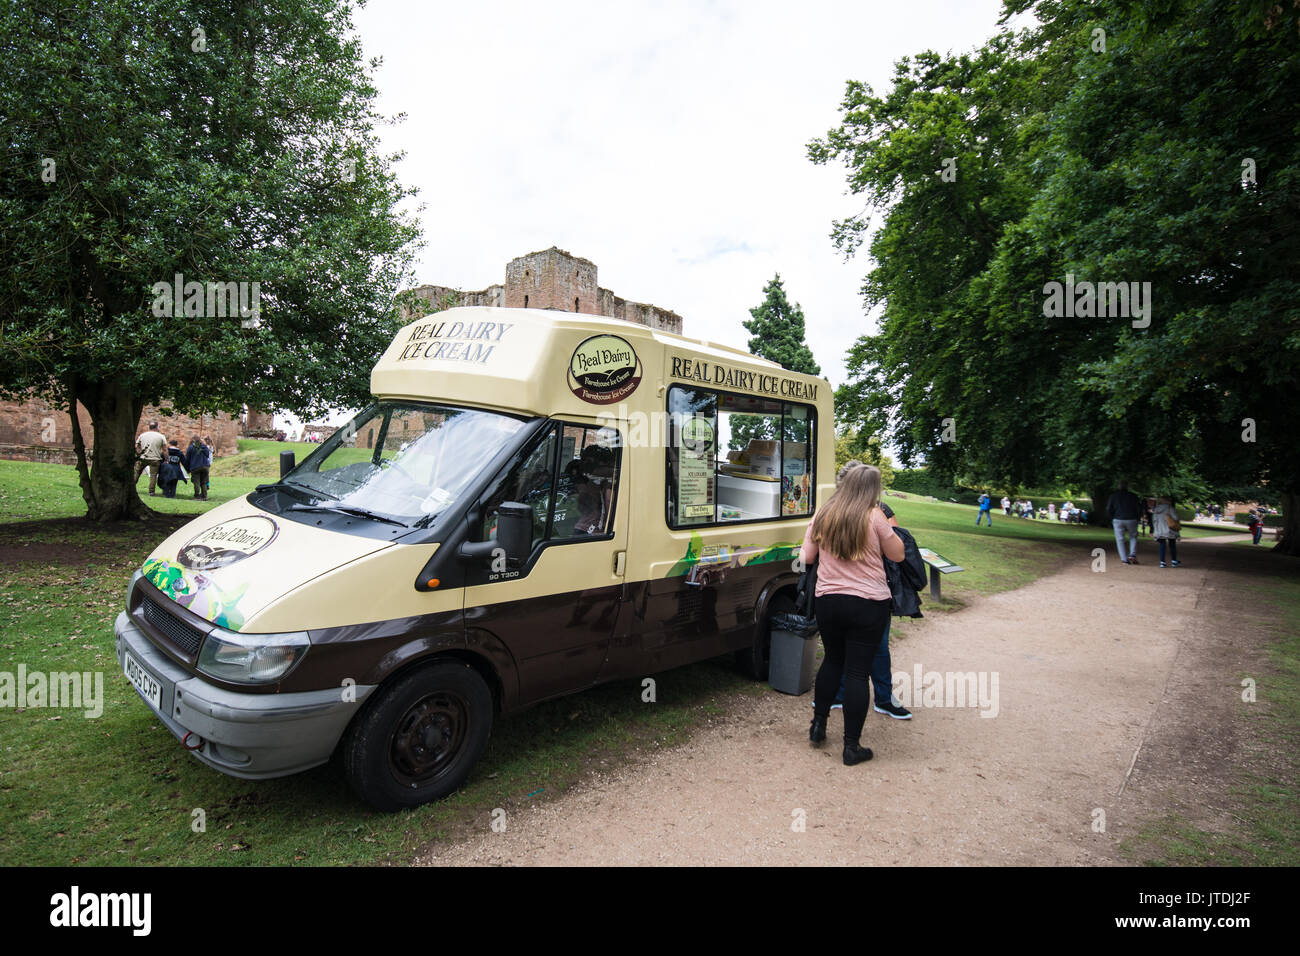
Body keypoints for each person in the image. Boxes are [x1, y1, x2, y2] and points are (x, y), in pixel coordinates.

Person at [801, 464, 904, 765]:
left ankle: (818, 725)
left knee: (832, 660)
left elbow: (806, 556)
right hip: (868, 603)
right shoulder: (876, 517)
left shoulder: (823, 513)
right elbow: (898, 554)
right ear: (873, 489)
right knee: (858, 672)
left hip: (829, 601)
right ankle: (851, 747)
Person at [1107, 481, 1143, 565]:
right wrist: (1137, 518)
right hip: (1132, 518)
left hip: (1118, 518)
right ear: (1127, 487)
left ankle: (1124, 559)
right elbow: (1139, 508)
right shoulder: (1133, 496)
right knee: (1133, 536)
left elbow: (1108, 508)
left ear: (1118, 486)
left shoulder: (1113, 496)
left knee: (1120, 539)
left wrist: (1112, 517)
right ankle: (1132, 554)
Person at [134, 421, 167, 496]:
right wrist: (166, 459)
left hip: (143, 457)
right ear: (157, 427)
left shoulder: (142, 435)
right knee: (153, 475)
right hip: (155, 458)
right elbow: (165, 449)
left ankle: (132, 487)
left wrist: (139, 453)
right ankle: (151, 492)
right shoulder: (161, 436)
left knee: (136, 473)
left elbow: (136, 446)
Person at [1151, 496, 1181, 567]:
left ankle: (1162, 562)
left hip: (1160, 530)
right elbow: (1176, 518)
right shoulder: (1170, 508)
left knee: (1162, 545)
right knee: (1172, 544)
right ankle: (1174, 561)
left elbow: (1154, 520)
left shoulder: (1156, 509)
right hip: (1169, 529)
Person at [186, 434, 211, 501]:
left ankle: (197, 496)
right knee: (204, 482)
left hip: (195, 467)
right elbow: (207, 455)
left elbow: (187, 459)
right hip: (205, 466)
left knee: (196, 482)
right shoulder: (204, 446)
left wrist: (188, 469)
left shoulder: (191, 447)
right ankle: (204, 496)